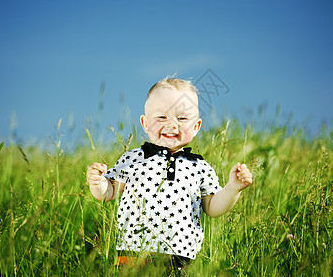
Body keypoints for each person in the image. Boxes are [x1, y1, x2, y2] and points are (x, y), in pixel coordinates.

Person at [86, 77, 253, 273]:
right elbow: (110, 193)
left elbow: (213, 207)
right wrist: (97, 182)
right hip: (132, 252)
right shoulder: (134, 159)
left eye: (182, 118)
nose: (172, 124)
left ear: (196, 126)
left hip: (178, 256)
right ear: (145, 123)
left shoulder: (199, 166)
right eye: (161, 118)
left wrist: (233, 189)